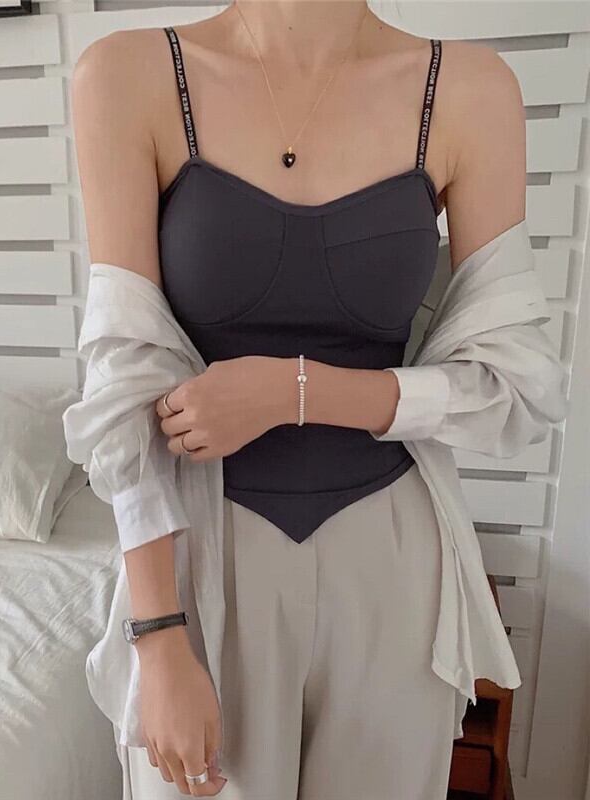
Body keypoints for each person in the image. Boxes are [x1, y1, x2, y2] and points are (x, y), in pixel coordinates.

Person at [69, 2, 537, 797]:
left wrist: (293, 392)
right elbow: (125, 380)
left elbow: (508, 385)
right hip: (203, 553)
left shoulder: (469, 89)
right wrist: (157, 635)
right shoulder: (125, 76)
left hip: (393, 558)